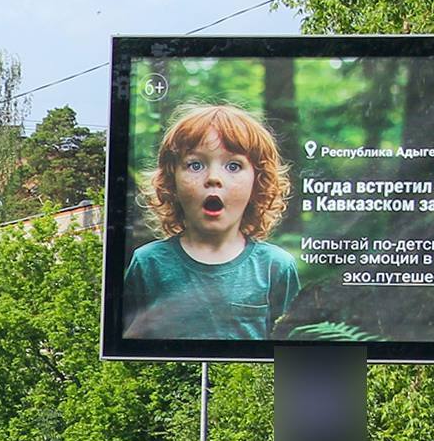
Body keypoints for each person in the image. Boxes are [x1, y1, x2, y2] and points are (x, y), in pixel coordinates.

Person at [121, 102, 303, 342]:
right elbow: (125, 350)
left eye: (233, 166)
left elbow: (292, 349)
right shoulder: (148, 263)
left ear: (258, 183)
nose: (214, 178)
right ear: (171, 180)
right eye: (195, 165)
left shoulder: (276, 267)